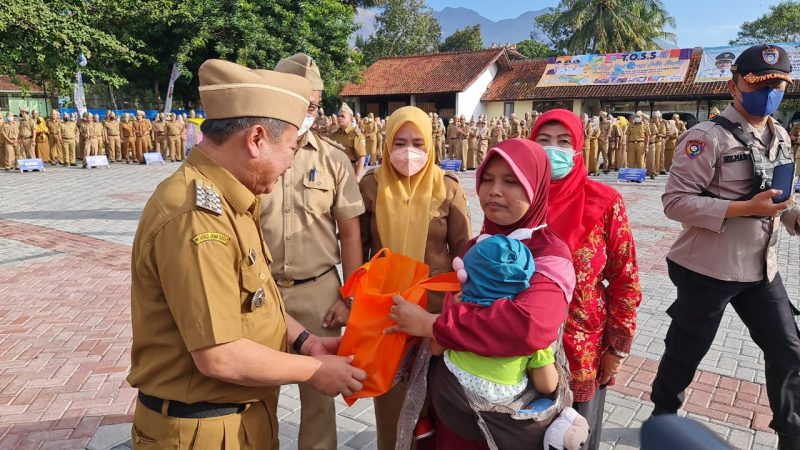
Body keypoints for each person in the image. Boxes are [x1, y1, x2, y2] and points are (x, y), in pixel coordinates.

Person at [128, 59, 366, 450]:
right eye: (289, 148)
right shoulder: (197, 218)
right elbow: (219, 355)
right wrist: (313, 370)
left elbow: (256, 300)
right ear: (256, 139)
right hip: (201, 431)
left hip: (234, 421)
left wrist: (307, 342)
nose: (292, 161)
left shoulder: (233, 199)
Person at [650, 44, 800, 450]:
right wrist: (741, 208)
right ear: (734, 85)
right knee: (687, 350)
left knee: (788, 350)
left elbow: (780, 194)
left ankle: (792, 433)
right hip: (708, 268)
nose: (768, 93)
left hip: (760, 268)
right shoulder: (706, 137)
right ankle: (663, 417)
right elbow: (675, 202)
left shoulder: (781, 134)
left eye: (777, 86)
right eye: (757, 84)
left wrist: (793, 216)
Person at [387, 138, 575, 449]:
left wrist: (431, 325)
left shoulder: (549, 254)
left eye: (511, 181)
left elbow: (528, 326)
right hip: (453, 409)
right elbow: (457, 310)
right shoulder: (477, 246)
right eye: (487, 179)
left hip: (505, 421)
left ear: (536, 188)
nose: (494, 190)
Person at [261, 52, 366, 450]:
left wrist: (349, 296)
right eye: (302, 103)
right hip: (262, 291)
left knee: (320, 396)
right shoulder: (256, 153)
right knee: (257, 392)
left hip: (319, 292)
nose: (310, 111)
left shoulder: (333, 158)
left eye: (315, 104)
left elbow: (350, 233)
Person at [359, 106, 472, 450]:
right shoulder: (370, 185)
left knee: (436, 403)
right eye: (400, 142)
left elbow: (464, 250)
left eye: (418, 143)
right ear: (387, 143)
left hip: (435, 314)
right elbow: (359, 248)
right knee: (392, 404)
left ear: (431, 146)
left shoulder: (447, 187)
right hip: (387, 312)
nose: (409, 152)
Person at [531, 109, 642, 450]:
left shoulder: (605, 202)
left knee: (575, 438)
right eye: (543, 141)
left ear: (579, 149)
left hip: (583, 347)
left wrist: (617, 348)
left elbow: (625, 279)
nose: (554, 150)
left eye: (564, 142)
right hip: (524, 343)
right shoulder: (518, 196)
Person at [443, 234, 559, 403]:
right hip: (500, 410)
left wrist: (450, 310)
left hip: (452, 397)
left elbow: (435, 348)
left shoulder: (459, 314)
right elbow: (547, 385)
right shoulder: (528, 328)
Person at [329, 103, 367, 180]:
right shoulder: (334, 135)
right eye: (338, 116)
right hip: (334, 169)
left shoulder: (356, 135)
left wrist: (357, 176)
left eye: (342, 116)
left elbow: (362, 157)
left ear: (350, 118)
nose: (339, 118)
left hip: (349, 170)